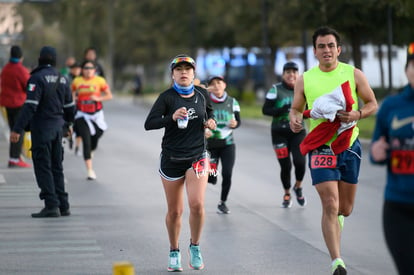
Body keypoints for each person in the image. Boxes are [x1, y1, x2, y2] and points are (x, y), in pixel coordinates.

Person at [289, 26, 378, 275]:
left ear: (338, 49)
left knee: (344, 209)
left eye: (330, 45)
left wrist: (358, 114)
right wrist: (294, 118)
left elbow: (372, 103)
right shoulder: (305, 79)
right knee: (330, 203)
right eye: (321, 46)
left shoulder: (353, 73)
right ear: (315, 51)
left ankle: (338, 218)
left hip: (349, 145)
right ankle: (336, 262)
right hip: (320, 147)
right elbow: (296, 108)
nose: (326, 50)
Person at [144, 54, 216, 271]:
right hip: (171, 158)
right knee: (175, 211)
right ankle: (174, 250)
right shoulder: (167, 97)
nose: (183, 72)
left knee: (198, 205)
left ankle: (194, 246)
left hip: (198, 157)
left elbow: (210, 114)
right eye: (179, 69)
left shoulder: (202, 94)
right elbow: (149, 123)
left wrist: (210, 123)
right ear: (173, 74)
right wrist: (171, 117)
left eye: (187, 69)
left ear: (194, 73)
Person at [9, 46, 76, 218]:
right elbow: (70, 107)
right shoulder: (63, 79)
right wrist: (67, 125)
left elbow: (30, 106)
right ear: (54, 60)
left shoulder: (36, 78)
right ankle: (64, 205)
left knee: (43, 167)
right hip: (58, 129)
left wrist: (17, 128)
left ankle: (51, 205)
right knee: (57, 167)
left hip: (42, 129)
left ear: (40, 59)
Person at [370, 42, 414, 275]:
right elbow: (377, 150)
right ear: (407, 70)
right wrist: (376, 153)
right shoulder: (392, 107)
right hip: (398, 208)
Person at [262, 61, 307, 208]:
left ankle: (298, 186)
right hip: (279, 132)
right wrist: (283, 109)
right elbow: (265, 110)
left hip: (298, 131)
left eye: (294, 72)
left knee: (300, 162)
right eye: (288, 72)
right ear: (283, 75)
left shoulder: (303, 89)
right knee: (285, 165)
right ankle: (287, 192)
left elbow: (310, 110)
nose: (291, 75)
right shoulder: (275, 89)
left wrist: (300, 113)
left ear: (298, 74)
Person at [71, 60, 113, 180]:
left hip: (96, 115)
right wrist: (73, 100)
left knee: (97, 135)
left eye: (90, 68)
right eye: (85, 68)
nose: (88, 70)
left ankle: (92, 149)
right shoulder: (77, 81)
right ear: (82, 69)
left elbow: (109, 95)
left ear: (94, 70)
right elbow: (71, 92)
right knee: (86, 139)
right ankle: (90, 170)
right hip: (81, 115)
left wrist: (98, 98)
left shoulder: (100, 81)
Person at [205, 75, 240, 214]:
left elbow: (238, 121)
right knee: (211, 176)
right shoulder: (205, 102)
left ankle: (222, 202)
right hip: (211, 145)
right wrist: (205, 129)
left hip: (227, 144)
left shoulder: (232, 102)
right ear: (209, 87)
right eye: (213, 84)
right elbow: (200, 120)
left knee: (227, 173)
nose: (216, 86)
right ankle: (199, 200)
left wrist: (235, 124)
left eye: (219, 82)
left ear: (224, 85)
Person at [0, 45, 31, 168]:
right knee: (19, 131)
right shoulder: (21, 70)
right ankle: (15, 158)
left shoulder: (6, 69)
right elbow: (28, 86)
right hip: (19, 103)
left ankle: (15, 157)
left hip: (7, 104)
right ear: (21, 57)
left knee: (13, 129)